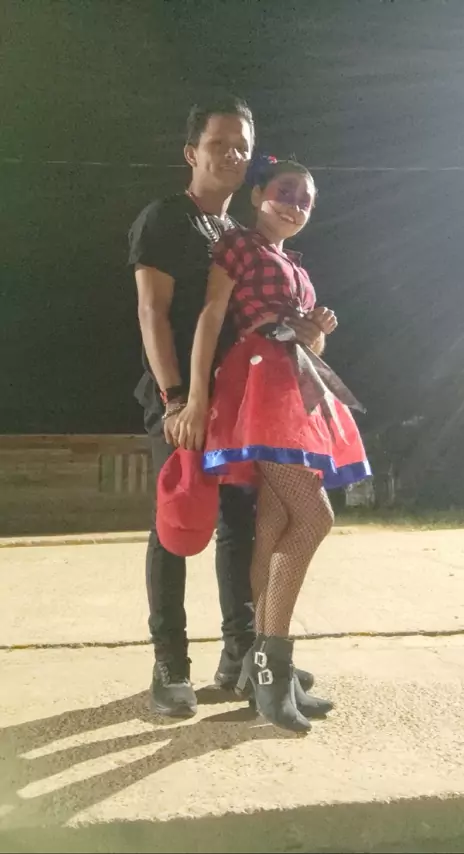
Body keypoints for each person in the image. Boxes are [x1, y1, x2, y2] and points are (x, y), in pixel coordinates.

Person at [128, 100, 317, 719]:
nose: (232, 154)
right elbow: (153, 312)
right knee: (177, 522)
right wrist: (175, 397)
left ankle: (240, 653)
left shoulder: (238, 233)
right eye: (220, 143)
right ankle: (170, 664)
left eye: (243, 146)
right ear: (192, 152)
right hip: (180, 397)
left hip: (238, 401)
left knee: (240, 524)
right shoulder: (166, 218)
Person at [171, 157, 371, 733]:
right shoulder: (237, 245)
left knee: (276, 523)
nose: (296, 205)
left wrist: (316, 332)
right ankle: (270, 668)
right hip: (257, 384)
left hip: (294, 390)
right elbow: (212, 316)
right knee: (315, 517)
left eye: (306, 200)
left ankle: (263, 667)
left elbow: (306, 348)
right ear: (258, 194)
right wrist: (195, 397)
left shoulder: (297, 268)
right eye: (286, 192)